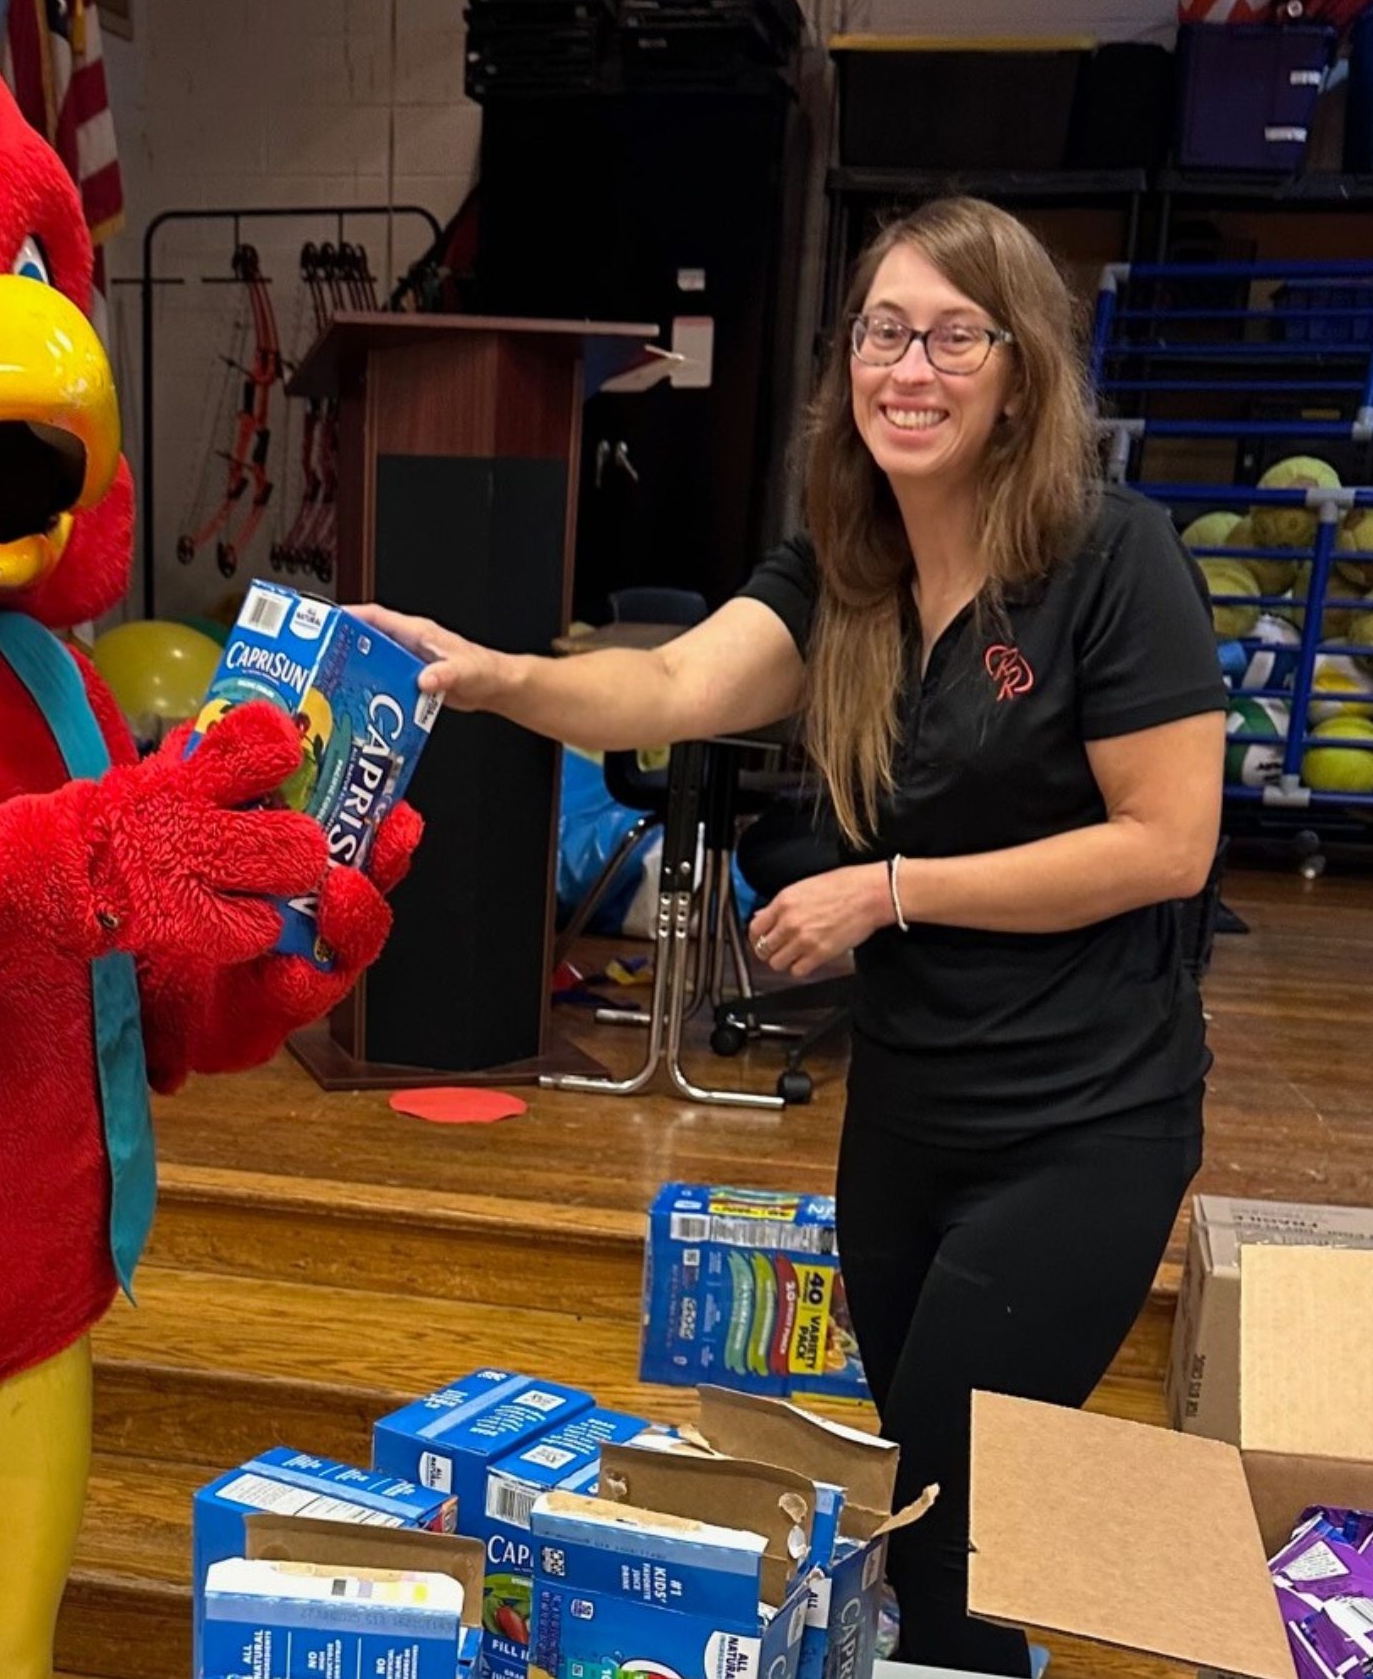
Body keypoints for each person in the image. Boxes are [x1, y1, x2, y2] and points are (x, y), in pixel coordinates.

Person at [355, 195, 1225, 1675]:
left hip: (1090, 1117)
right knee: (925, 1490)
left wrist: (892, 890)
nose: (913, 368)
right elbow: (675, 687)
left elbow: (1168, 844)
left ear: (1019, 371)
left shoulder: (1111, 560)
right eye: (886, 331)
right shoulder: (848, 568)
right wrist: (501, 676)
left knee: (954, 1514)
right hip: (910, 1108)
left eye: (957, 336)